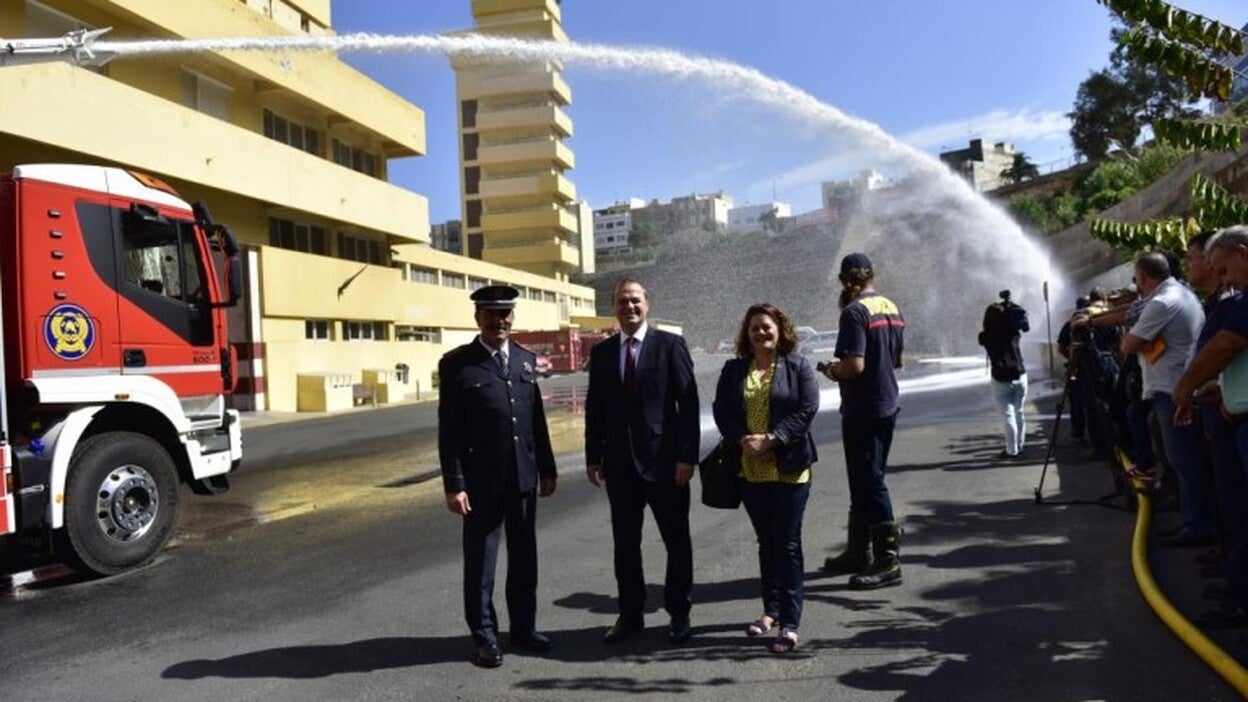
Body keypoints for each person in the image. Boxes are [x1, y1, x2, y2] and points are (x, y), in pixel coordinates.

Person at [438, 284, 558, 669]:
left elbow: (536, 421)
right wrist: (455, 484)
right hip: (481, 484)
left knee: (525, 560)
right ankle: (485, 637)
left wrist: (548, 469)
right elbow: (450, 431)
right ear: (478, 318)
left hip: (523, 478)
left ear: (513, 317)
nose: (499, 321)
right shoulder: (458, 364)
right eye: (491, 314)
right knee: (482, 565)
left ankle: (523, 628)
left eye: (505, 314)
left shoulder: (525, 360)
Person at [584, 277, 700, 644]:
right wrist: (593, 456)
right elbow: (595, 409)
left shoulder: (670, 346)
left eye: (634, 301)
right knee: (625, 546)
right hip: (619, 467)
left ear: (647, 304)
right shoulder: (602, 354)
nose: (628, 307)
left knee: (676, 542)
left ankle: (679, 613)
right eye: (621, 302)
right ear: (614, 307)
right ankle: (630, 614)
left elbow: (689, 405)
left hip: (666, 465)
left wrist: (687, 457)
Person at [712, 303, 820, 654]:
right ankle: (771, 610)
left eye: (767, 326)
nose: (761, 332)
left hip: (790, 467)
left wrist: (773, 439)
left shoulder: (798, 365)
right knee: (766, 542)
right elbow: (721, 409)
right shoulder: (734, 370)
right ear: (747, 334)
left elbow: (808, 408)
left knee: (787, 544)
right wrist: (744, 439)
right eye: (755, 327)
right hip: (750, 467)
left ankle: (790, 622)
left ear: (781, 329)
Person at [819, 253, 906, 590]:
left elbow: (853, 366)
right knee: (864, 478)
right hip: (887, 401)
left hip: (864, 407)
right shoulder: (891, 307)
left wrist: (830, 370)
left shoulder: (854, 311)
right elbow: (897, 360)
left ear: (845, 280)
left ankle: (887, 560)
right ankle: (857, 551)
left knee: (870, 481)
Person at [1119, 252, 1211, 547]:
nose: (1136, 286)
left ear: (1143, 277)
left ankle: (1197, 525)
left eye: (1137, 280)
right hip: (1173, 387)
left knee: (1185, 460)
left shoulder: (1161, 302)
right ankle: (1190, 514)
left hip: (1173, 391)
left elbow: (1129, 344)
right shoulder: (1180, 293)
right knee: (1180, 459)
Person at [978, 289, 1031, 459]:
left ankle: (1012, 450)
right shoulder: (1014, 334)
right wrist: (1010, 306)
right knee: (1019, 412)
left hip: (1000, 378)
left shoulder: (985, 337)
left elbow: (990, 330)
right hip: (1020, 374)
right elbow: (1019, 323)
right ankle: (1020, 446)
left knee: (1007, 415)